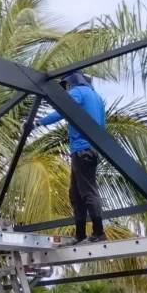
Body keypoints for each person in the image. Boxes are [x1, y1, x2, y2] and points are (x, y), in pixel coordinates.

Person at [37, 71, 107, 245]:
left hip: (82, 149)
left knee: (88, 192)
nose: (66, 89)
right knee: (75, 193)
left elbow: (63, 110)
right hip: (91, 149)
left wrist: (39, 122)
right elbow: (103, 126)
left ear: (71, 82)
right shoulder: (96, 97)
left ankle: (98, 233)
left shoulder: (77, 92)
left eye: (66, 85)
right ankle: (81, 234)